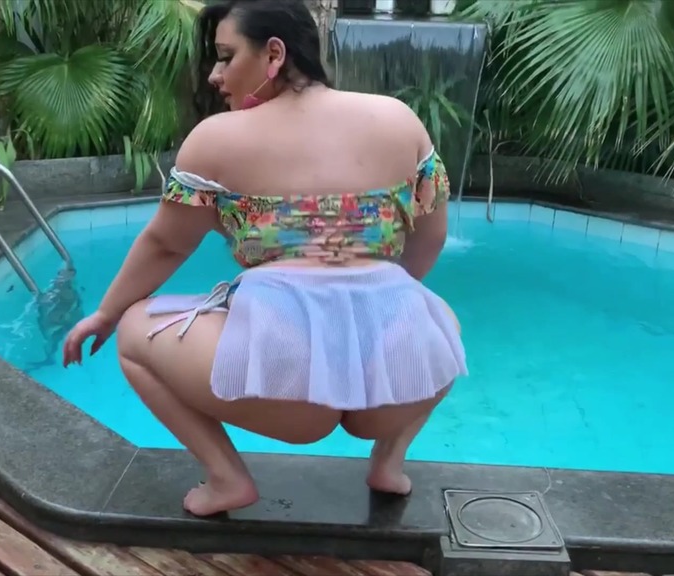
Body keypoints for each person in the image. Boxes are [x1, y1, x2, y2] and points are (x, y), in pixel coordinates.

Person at [62, 0, 467, 517]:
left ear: (274, 54)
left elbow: (167, 244)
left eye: (226, 57)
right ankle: (388, 461)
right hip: (390, 390)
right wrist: (368, 314)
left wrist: (106, 312)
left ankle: (226, 478)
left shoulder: (216, 139)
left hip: (288, 396)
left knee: (135, 333)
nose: (215, 75)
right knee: (438, 319)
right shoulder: (399, 120)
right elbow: (430, 238)